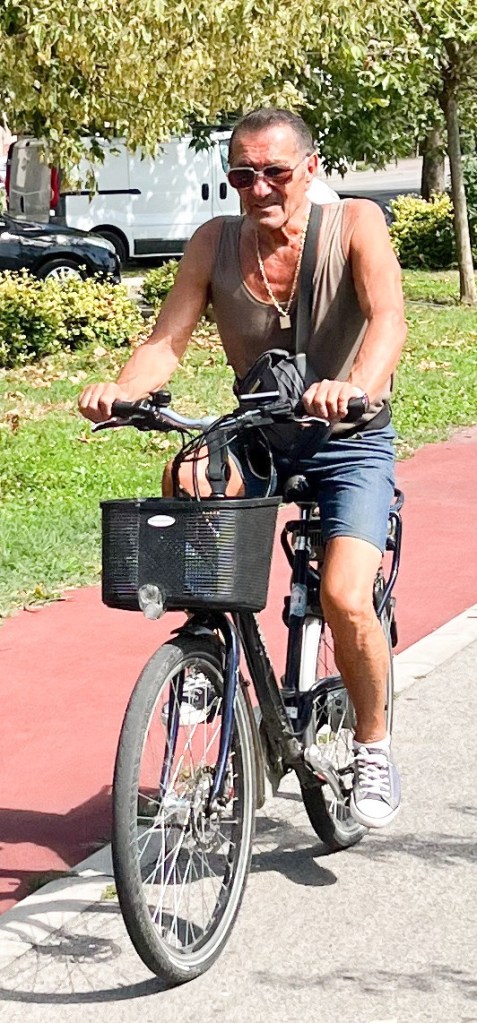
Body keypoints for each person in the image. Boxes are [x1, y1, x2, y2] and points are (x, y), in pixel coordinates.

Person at [79, 108, 407, 829]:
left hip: (347, 438)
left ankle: (373, 746)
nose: (259, 188)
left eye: (275, 172)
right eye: (242, 175)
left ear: (310, 170)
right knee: (188, 475)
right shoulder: (214, 242)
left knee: (345, 595)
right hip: (259, 432)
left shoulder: (355, 224)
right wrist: (122, 392)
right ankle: (209, 652)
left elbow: (388, 318)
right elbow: (167, 339)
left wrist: (355, 385)